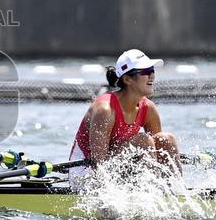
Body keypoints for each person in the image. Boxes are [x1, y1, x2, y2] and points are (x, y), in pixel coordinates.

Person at [68, 49, 181, 183]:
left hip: (117, 168)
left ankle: (176, 188)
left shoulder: (148, 108)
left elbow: (159, 153)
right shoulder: (105, 110)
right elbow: (99, 165)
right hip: (86, 172)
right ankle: (154, 188)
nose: (151, 75)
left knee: (166, 139)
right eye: (145, 71)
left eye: (152, 70)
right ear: (127, 79)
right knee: (143, 141)